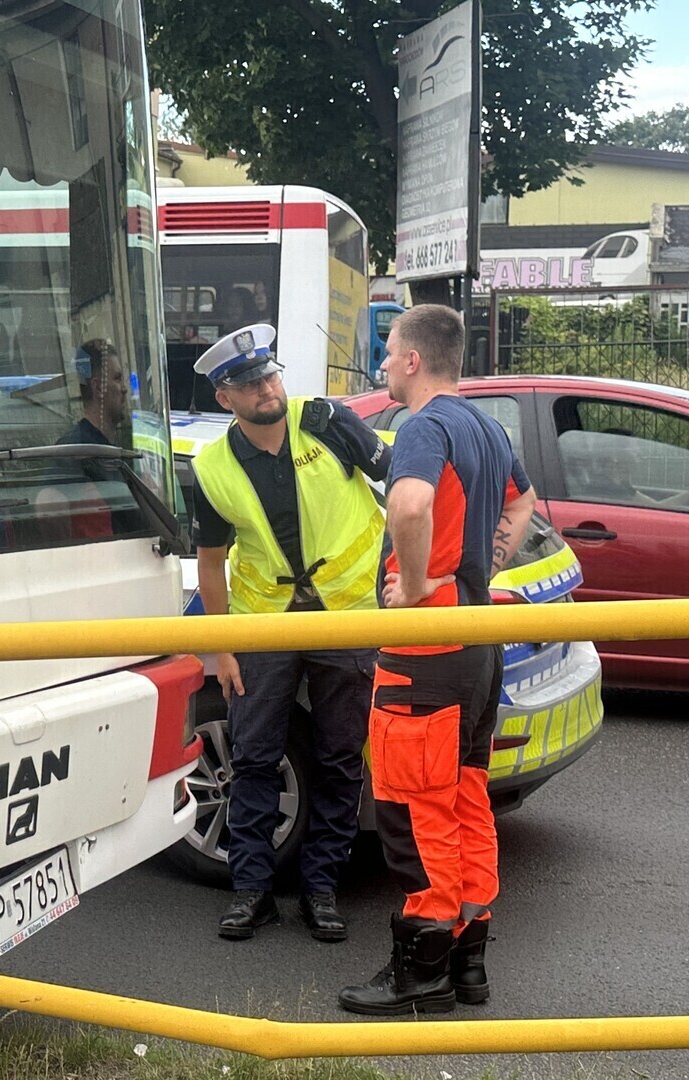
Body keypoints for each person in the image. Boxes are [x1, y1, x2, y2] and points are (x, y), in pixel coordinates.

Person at [338, 304, 537, 1016]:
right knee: (463, 805)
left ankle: (420, 972)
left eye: (389, 353)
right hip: (478, 650)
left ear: (415, 360)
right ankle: (467, 963)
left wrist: (421, 584)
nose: (384, 364)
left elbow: (413, 505)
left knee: (416, 815)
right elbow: (523, 502)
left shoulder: (423, 425)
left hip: (426, 653)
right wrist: (478, 568)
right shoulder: (484, 425)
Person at [188, 323, 391, 943]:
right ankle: (252, 892)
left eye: (270, 375)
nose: (266, 389)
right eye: (249, 384)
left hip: (348, 617)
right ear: (226, 398)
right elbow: (209, 559)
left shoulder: (327, 421)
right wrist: (220, 645)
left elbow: (405, 481)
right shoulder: (213, 467)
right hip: (264, 626)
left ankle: (321, 891)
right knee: (252, 758)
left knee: (337, 758)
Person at [59, 338, 129, 446]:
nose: (124, 389)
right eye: (117, 378)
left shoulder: (102, 448)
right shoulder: (74, 452)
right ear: (98, 388)